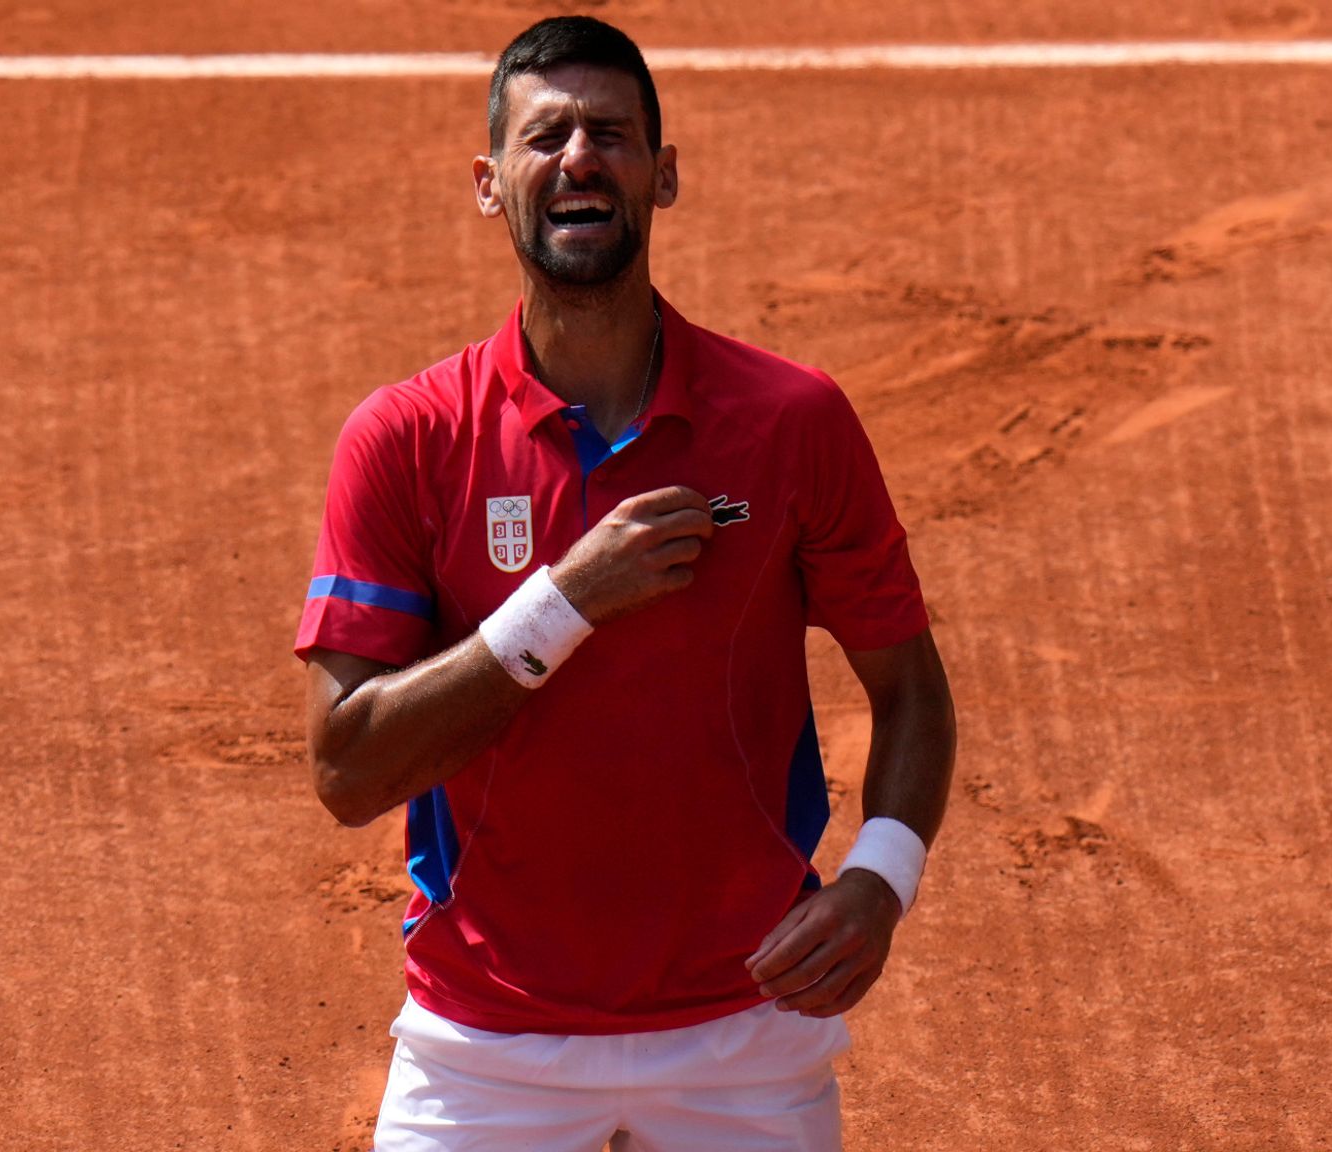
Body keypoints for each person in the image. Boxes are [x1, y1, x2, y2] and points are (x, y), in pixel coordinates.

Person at [294, 15, 956, 1151]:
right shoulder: (404, 440)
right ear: (489, 185)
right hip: (482, 1049)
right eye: (543, 137)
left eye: (610, 133)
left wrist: (877, 883)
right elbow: (348, 770)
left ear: (664, 172)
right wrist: (563, 602)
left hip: (748, 1033)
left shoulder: (791, 425)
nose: (578, 158)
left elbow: (910, 690)